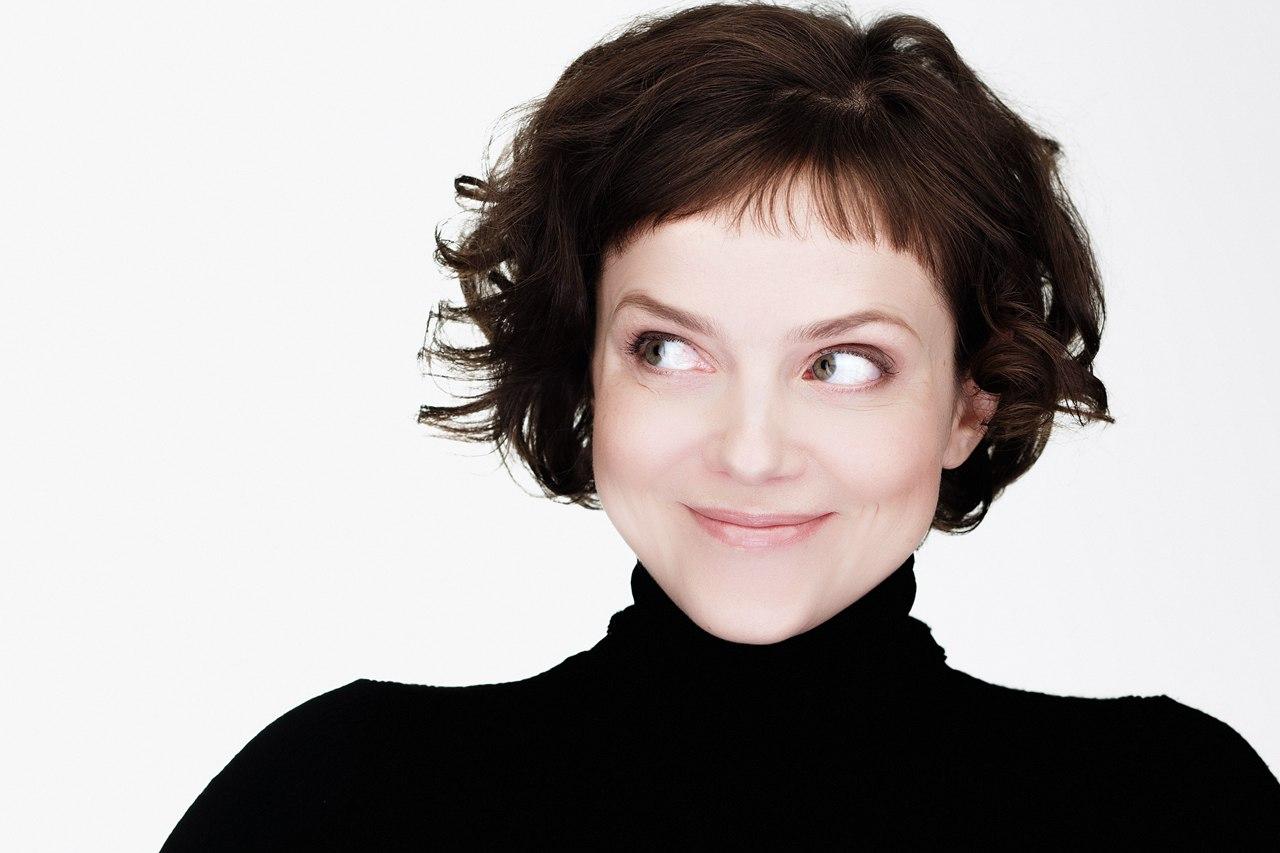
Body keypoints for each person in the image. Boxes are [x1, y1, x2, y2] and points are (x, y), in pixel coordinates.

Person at [160, 2, 1280, 847]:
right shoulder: (339, 802)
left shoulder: (1171, 812)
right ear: (586, 368)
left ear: (968, 400)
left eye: (842, 363)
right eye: (669, 350)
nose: (750, 450)